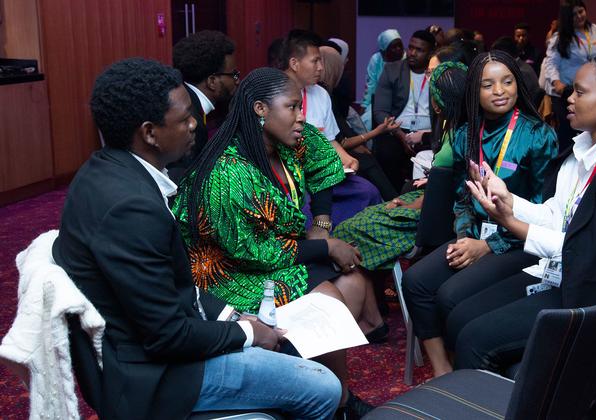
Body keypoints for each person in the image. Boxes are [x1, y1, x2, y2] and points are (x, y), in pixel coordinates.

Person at [52, 58, 341, 419]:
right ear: (149, 133)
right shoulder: (132, 208)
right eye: (185, 118)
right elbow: (166, 336)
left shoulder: (106, 171)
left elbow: (174, 287)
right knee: (323, 387)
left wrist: (235, 314)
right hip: (156, 375)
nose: (195, 125)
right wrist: (247, 334)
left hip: (148, 348)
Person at [457, 55, 596, 409]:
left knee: (472, 338)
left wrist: (512, 223)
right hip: (571, 279)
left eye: (579, 92)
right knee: (464, 319)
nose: (567, 99)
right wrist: (508, 201)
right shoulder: (585, 150)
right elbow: (562, 216)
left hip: (590, 302)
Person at [173, 67, 381, 418]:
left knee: (353, 279)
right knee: (328, 295)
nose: (302, 117)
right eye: (293, 108)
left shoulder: (290, 140)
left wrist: (323, 223)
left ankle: (335, 397)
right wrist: (326, 247)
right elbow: (252, 253)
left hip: (271, 252)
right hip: (226, 272)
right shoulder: (228, 173)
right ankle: (338, 402)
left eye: (301, 107)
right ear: (260, 109)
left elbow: (322, 162)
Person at [402, 50, 558, 378]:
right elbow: (461, 198)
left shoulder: (538, 135)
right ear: (475, 91)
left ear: (518, 84)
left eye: (507, 81)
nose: (499, 90)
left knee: (450, 296)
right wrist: (464, 236)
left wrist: (487, 246)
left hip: (518, 242)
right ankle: (443, 370)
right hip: (475, 235)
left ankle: (472, 373)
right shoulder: (464, 135)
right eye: (488, 85)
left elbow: (545, 210)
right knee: (416, 281)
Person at [333, 60, 469, 272]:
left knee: (346, 229)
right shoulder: (465, 130)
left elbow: (439, 192)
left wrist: (404, 206)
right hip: (437, 210)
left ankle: (359, 282)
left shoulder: (454, 138)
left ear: (435, 104)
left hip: (427, 218)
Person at [281, 29, 382, 227]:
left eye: (321, 61)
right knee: (305, 214)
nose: (321, 68)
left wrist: (346, 158)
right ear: (294, 63)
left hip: (322, 174)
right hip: (290, 176)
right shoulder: (273, 92)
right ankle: (325, 246)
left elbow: (329, 140)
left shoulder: (321, 94)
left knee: (368, 192)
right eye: (315, 61)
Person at [319, 44, 401, 201]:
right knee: (367, 161)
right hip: (329, 157)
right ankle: (391, 201)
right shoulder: (324, 96)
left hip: (337, 151)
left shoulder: (328, 94)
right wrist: (375, 132)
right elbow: (340, 141)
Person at [168, 30, 239, 181]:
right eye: (233, 74)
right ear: (212, 81)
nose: (237, 80)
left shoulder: (189, 100)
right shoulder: (191, 122)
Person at [544, 0, 596, 152]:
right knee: (568, 132)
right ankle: (563, 160)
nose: (579, 16)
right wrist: (556, 82)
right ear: (567, 18)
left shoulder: (594, 29)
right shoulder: (560, 37)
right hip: (566, 91)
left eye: (581, 11)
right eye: (574, 14)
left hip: (591, 89)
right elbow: (551, 63)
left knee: (589, 128)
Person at [372, 30, 436, 191]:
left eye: (419, 50)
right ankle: (392, 196)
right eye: (411, 47)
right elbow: (380, 111)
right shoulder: (392, 70)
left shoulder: (437, 72)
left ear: (431, 52)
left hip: (428, 132)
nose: (412, 53)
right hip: (397, 130)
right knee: (385, 152)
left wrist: (427, 135)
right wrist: (401, 135)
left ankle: (420, 197)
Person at [361, 29, 404, 129]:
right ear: (384, 50)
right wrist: (364, 106)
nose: (398, 49)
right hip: (380, 102)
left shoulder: (407, 60)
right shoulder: (376, 60)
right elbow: (371, 86)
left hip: (402, 103)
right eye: (393, 47)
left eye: (400, 45)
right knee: (366, 122)